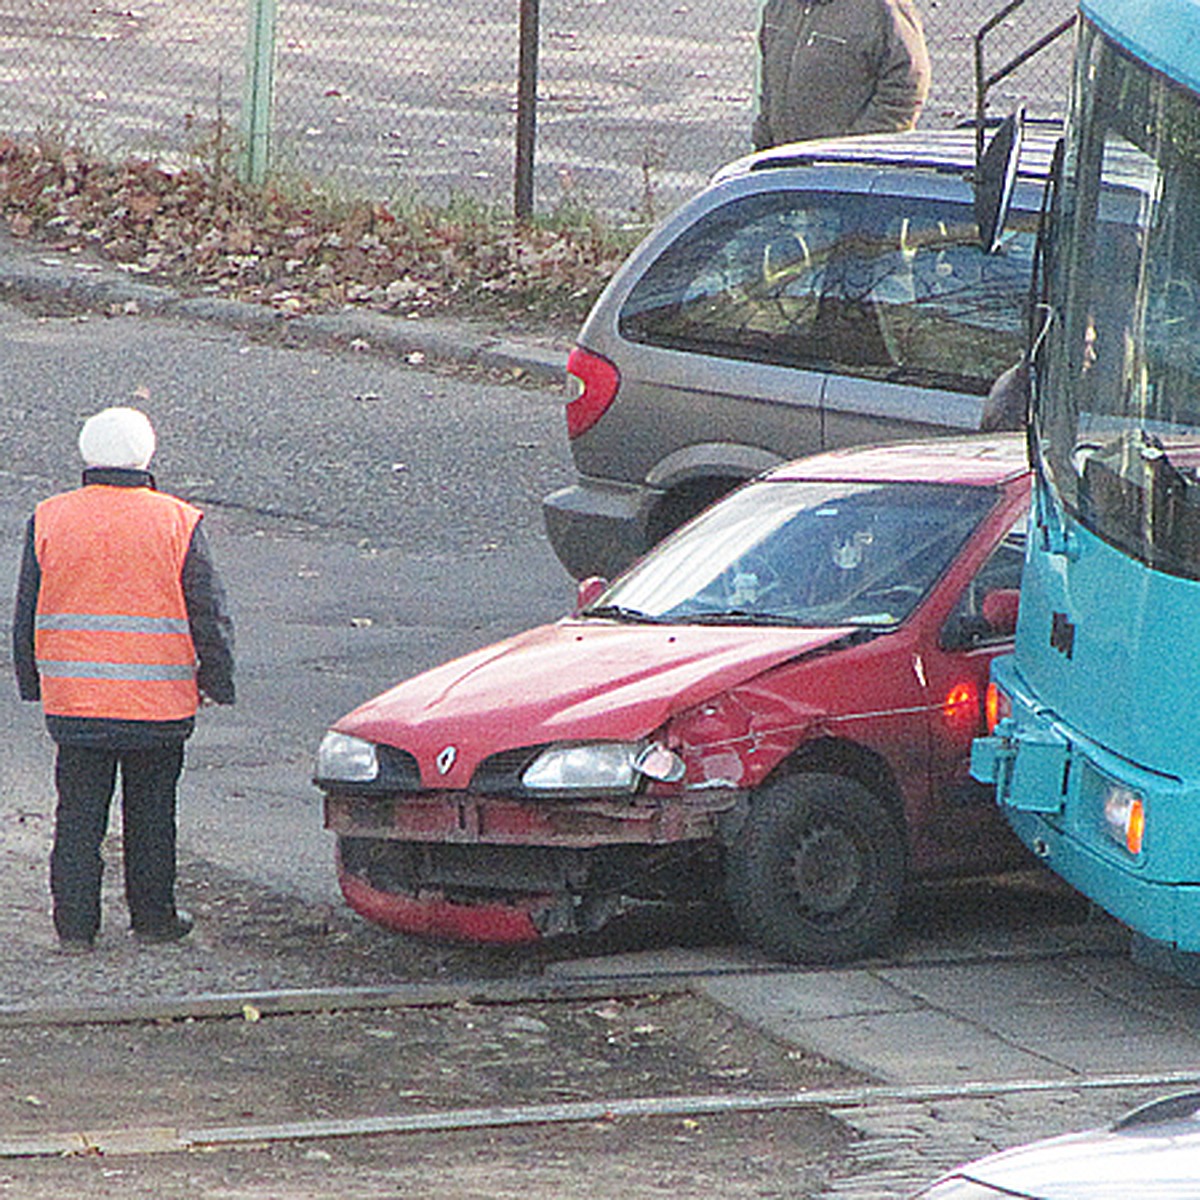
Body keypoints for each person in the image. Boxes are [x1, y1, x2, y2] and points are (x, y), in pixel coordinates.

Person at [12, 406, 235, 953]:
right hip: (159, 703)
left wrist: (34, 682)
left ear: (86, 456)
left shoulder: (49, 518)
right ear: (147, 456)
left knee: (79, 818)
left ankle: (76, 927)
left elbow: (27, 613)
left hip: (77, 703)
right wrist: (217, 680)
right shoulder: (179, 521)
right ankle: (155, 917)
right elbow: (207, 612)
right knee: (153, 814)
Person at [752, 0, 932, 150]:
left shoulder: (882, 9)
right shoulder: (780, 7)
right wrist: (763, 143)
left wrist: (855, 147)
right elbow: (770, 86)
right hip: (785, 164)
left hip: (848, 175)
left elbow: (907, 85)